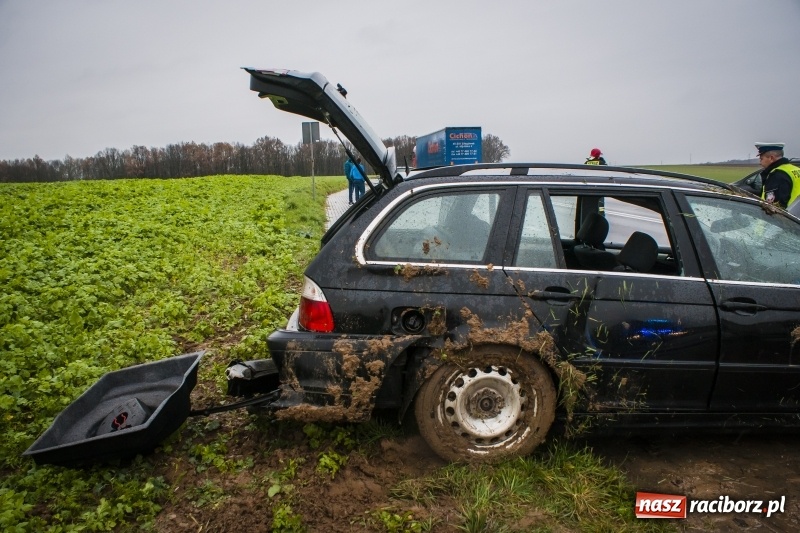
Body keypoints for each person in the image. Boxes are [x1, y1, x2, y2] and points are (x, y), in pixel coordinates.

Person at [755, 142, 800, 208]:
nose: (760, 163)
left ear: (771, 158)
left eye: (761, 159)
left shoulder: (777, 175)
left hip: (787, 216)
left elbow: (775, 208)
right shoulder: (795, 169)